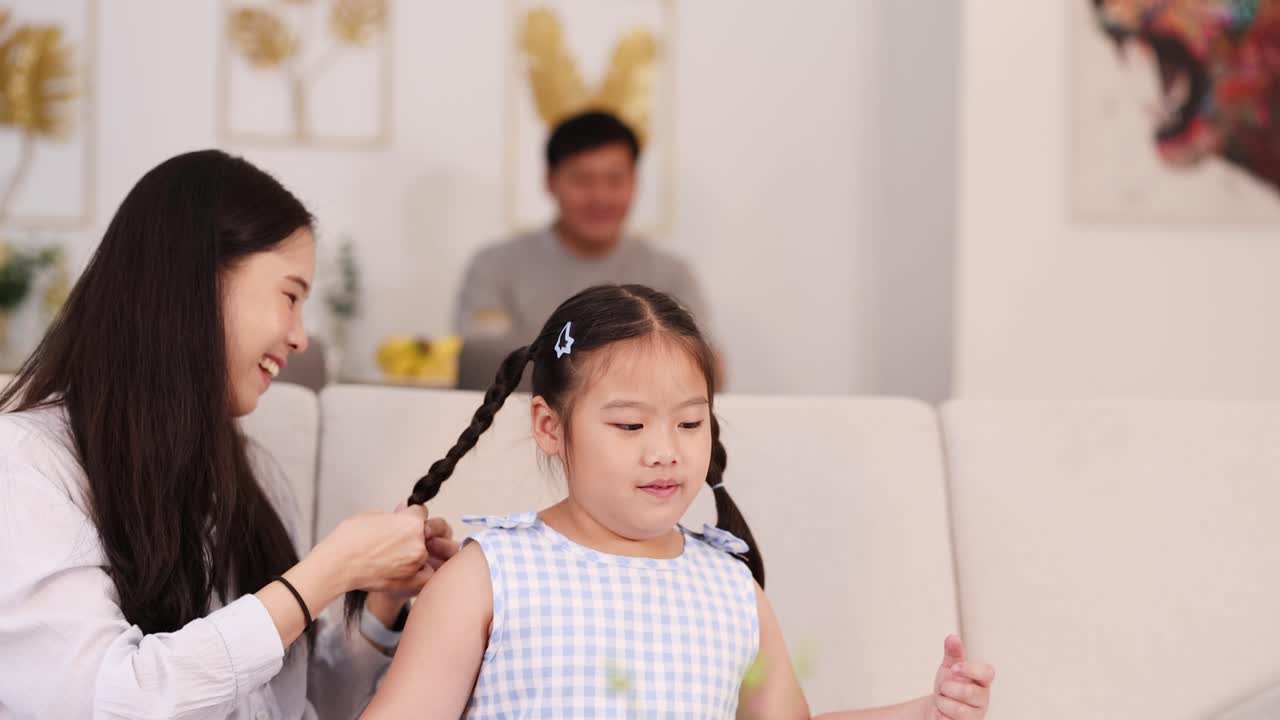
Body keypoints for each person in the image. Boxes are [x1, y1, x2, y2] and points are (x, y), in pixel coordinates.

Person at [361, 284, 995, 719]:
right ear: (550, 427)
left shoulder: (731, 588)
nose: (665, 451)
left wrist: (924, 710)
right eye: (630, 426)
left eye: (690, 424)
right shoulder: (487, 577)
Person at [0, 150, 458, 719]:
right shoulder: (24, 462)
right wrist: (325, 572)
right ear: (198, 279)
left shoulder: (251, 475)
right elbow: (107, 701)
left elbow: (295, 702)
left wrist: (382, 602)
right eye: (290, 296)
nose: (300, 338)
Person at [453, 111, 713, 388]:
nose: (600, 196)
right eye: (582, 180)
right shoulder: (493, 266)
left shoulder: (670, 274)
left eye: (614, 180)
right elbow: (482, 362)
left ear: (634, 183)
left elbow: (702, 365)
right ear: (551, 181)